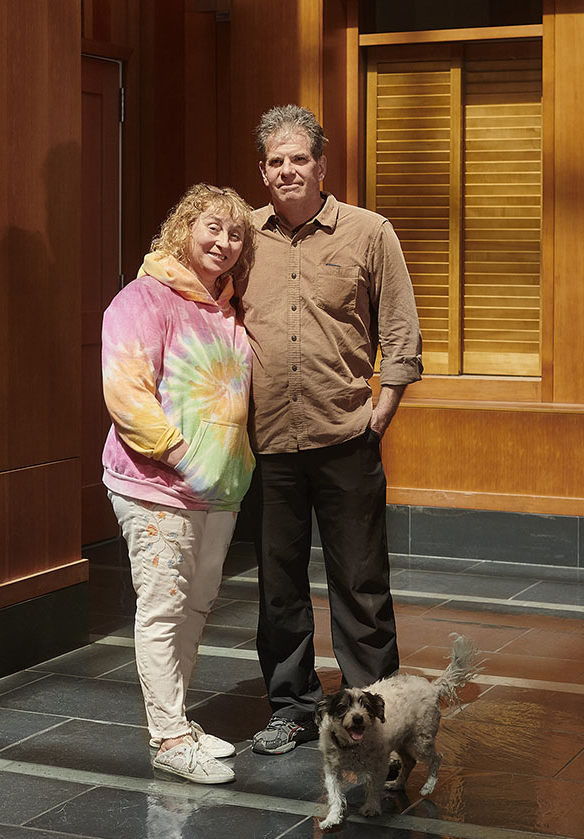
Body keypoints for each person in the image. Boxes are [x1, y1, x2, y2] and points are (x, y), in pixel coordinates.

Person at [238, 105, 423, 755]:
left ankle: (375, 710)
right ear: (263, 172)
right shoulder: (243, 236)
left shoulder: (369, 232)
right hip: (270, 444)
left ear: (322, 165)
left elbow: (399, 322)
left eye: (299, 158)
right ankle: (291, 706)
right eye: (276, 161)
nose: (288, 170)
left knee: (361, 584)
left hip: (345, 433)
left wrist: (386, 402)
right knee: (278, 586)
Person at [101, 183, 255, 783]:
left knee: (196, 605)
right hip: (155, 485)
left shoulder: (228, 309)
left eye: (236, 233)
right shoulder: (143, 299)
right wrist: (181, 455)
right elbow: (126, 393)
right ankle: (167, 739)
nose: (223, 242)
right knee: (163, 609)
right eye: (212, 227)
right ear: (184, 229)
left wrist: (227, 471)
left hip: (220, 491)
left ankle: (178, 722)